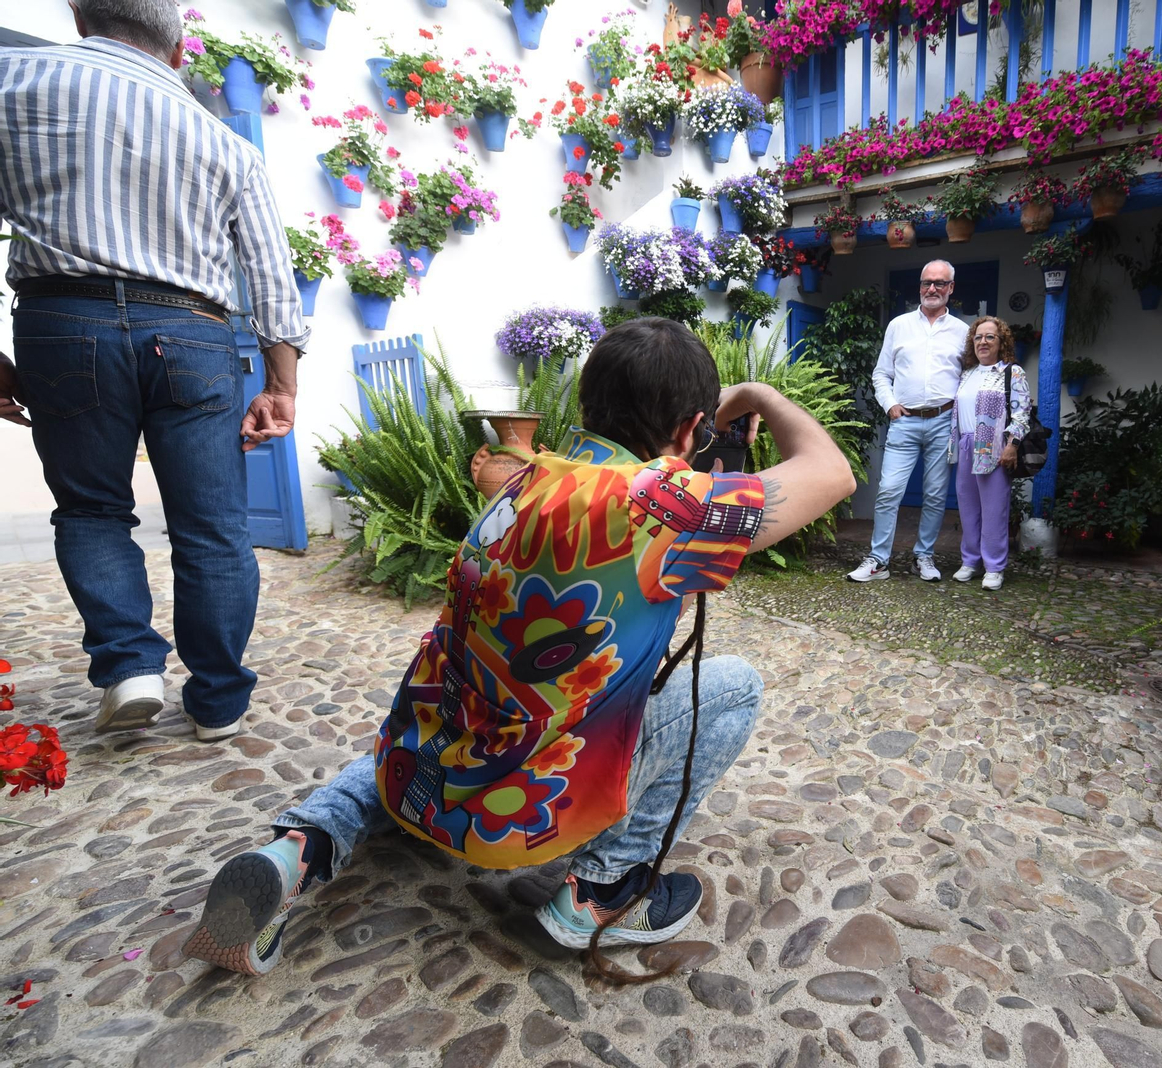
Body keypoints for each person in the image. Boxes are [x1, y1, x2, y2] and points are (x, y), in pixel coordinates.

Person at [182, 318, 856, 977]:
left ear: (588, 403)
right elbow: (831, 472)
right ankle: (602, 891)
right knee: (733, 684)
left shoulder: (522, 482)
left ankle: (299, 846)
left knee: (429, 734)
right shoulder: (661, 507)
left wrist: (703, 418)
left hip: (424, 773)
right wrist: (757, 394)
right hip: (524, 809)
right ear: (689, 430)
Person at [0, 0, 307, 740]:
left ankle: (131, 666)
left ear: (81, 18)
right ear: (178, 53)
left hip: (61, 322)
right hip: (192, 330)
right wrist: (281, 383)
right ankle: (219, 701)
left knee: (92, 509)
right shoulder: (221, 136)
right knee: (213, 527)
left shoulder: (13, 80)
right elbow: (269, 271)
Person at [846, 259, 968, 584]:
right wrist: (890, 405)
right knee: (888, 491)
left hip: (944, 422)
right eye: (927, 282)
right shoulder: (898, 325)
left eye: (940, 283)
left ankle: (923, 557)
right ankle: (878, 561)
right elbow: (881, 373)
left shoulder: (962, 332)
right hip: (905, 421)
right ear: (920, 286)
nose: (932, 289)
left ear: (950, 288)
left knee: (935, 493)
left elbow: (968, 378)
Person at [950, 317, 1030, 591]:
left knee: (994, 510)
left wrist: (1012, 445)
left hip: (994, 448)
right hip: (965, 445)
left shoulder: (1011, 372)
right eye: (978, 337)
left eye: (990, 337)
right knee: (968, 508)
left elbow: (1022, 413)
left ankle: (994, 567)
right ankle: (970, 561)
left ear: (1001, 342)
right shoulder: (967, 374)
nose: (983, 342)